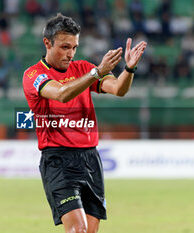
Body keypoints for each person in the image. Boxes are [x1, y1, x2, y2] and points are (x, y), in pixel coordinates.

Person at [22, 14, 146, 233]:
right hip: (58, 160)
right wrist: (97, 72)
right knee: (77, 230)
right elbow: (61, 94)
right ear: (47, 43)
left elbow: (118, 89)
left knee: (90, 231)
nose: (70, 54)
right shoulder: (34, 74)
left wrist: (129, 69)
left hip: (90, 159)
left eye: (74, 47)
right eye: (65, 47)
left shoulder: (82, 68)